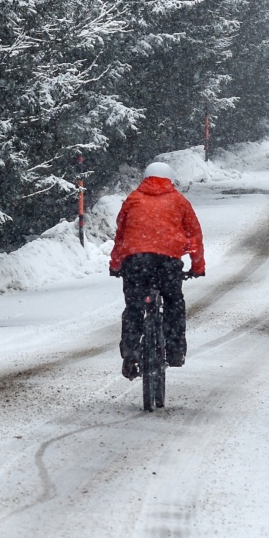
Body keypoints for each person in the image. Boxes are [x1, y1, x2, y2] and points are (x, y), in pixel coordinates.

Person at [109, 160, 205, 379]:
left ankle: (131, 351)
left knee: (134, 307)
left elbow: (121, 235)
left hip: (136, 262)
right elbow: (194, 236)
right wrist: (197, 267)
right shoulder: (179, 201)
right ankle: (174, 350)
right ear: (170, 179)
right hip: (168, 263)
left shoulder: (133, 199)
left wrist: (116, 265)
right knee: (174, 303)